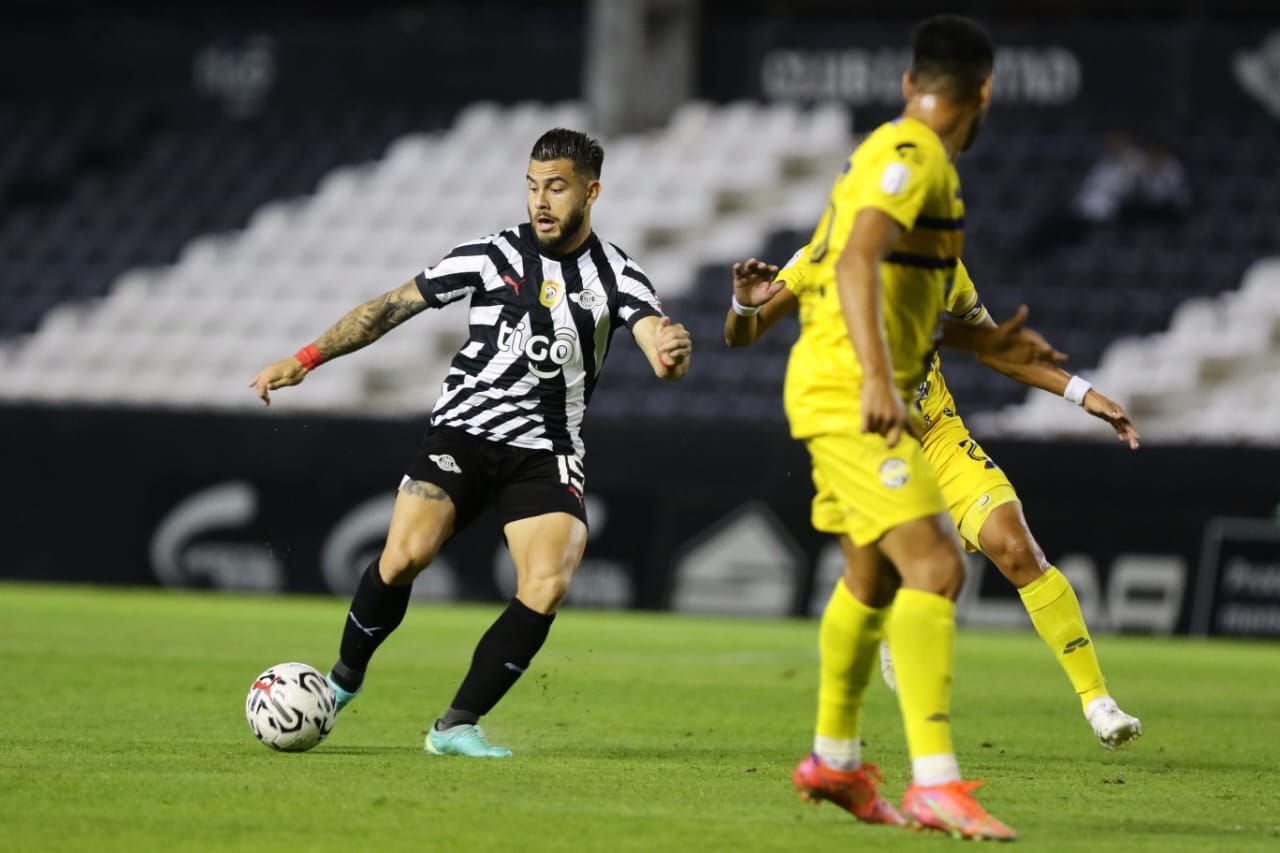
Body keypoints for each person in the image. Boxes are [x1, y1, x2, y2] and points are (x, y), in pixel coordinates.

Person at [249, 128, 692, 758]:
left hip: (545, 451)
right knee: (404, 556)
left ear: (591, 192)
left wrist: (670, 353)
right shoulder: (488, 256)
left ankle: (454, 725)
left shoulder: (616, 273)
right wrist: (306, 358)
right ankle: (343, 680)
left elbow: (657, 343)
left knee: (548, 581)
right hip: (464, 432)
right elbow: (390, 307)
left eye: (557, 188)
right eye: (533, 186)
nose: (541, 201)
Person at [735, 15, 1068, 840]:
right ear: (983, 92)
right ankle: (936, 783)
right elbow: (853, 261)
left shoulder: (904, 156)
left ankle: (835, 761)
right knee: (935, 566)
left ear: (909, 81)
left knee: (872, 580)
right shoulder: (912, 158)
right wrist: (883, 378)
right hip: (854, 391)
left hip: (833, 383)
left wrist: (982, 340)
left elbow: (858, 279)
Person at [726, 249, 1143, 752]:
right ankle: (868, 699)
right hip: (868, 441)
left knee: (1017, 549)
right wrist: (745, 306)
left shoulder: (944, 261)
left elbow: (994, 348)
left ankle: (1098, 701)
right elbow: (742, 335)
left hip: (937, 434)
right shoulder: (827, 251)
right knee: (904, 576)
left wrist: (1082, 394)